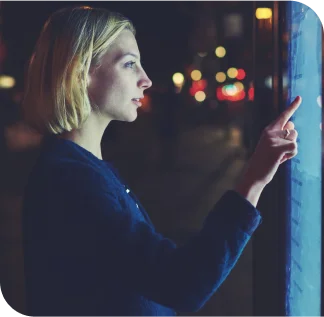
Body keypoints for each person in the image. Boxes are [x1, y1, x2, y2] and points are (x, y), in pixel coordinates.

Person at [21, 6, 301, 317]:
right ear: (80, 72)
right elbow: (181, 282)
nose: (146, 80)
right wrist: (254, 179)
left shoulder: (79, 170)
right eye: (130, 64)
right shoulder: (71, 182)